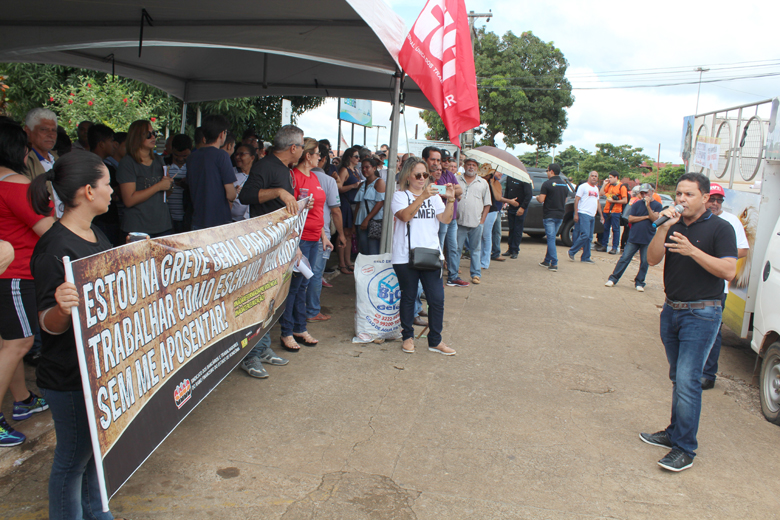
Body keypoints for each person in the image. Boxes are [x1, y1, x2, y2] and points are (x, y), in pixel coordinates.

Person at [28, 152, 122, 518]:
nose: (112, 191)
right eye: (106, 184)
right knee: (73, 461)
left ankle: (99, 513)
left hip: (97, 371)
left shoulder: (93, 232)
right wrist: (62, 307)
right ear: (87, 191)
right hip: (68, 378)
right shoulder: (54, 249)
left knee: (93, 455)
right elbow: (48, 325)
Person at [640, 172, 737, 472]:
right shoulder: (673, 225)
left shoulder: (721, 228)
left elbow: (729, 271)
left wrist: (693, 251)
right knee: (677, 377)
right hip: (672, 310)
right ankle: (674, 432)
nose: (681, 199)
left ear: (706, 197)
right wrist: (662, 229)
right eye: (679, 194)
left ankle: (685, 448)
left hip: (702, 313)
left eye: (689, 194)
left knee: (687, 380)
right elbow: (652, 260)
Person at [0, 122, 55, 447]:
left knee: (10, 343)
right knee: (18, 344)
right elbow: (48, 229)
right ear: (19, 149)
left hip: (7, 273)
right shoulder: (18, 184)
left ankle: (22, 400)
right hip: (17, 274)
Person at [237, 125, 303, 374]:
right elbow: (246, 196)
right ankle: (250, 355)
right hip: (263, 245)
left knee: (271, 300)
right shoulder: (265, 166)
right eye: (302, 145)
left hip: (281, 244)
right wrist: (278, 191)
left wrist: (292, 239)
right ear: (293, 148)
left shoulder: (284, 170)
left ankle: (262, 347)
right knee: (259, 299)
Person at [391, 157, 456, 355]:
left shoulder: (435, 197)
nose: (422, 179)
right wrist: (422, 197)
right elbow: (404, 216)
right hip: (405, 255)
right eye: (417, 175)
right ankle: (408, 337)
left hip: (431, 253)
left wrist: (451, 201)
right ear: (408, 176)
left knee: (437, 299)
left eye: (425, 175)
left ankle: (435, 340)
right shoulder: (400, 196)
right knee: (409, 296)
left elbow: (445, 219)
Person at [282, 138, 332, 352]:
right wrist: (295, 243)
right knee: (293, 287)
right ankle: (286, 331)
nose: (320, 157)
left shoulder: (315, 177)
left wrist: (323, 235)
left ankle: (299, 327)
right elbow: (290, 212)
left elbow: (318, 211)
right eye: (318, 153)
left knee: (303, 285)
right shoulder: (294, 177)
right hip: (300, 239)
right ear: (308, 155)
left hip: (314, 238)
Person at [701, 183, 750, 390]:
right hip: (694, 284)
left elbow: (744, 250)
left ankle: (708, 374)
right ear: (704, 199)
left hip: (719, 287)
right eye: (712, 199)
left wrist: (719, 254)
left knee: (714, 331)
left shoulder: (731, 222)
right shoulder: (695, 218)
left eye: (719, 200)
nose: (715, 204)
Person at [307, 142, 346, 322]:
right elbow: (336, 210)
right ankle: (312, 310)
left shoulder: (296, 175)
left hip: (302, 232)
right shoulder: (328, 181)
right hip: (319, 232)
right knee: (315, 273)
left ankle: (303, 310)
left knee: (302, 273)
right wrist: (341, 234)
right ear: (322, 159)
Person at [117, 120, 173, 239]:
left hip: (162, 225)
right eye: (148, 134)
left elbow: (166, 194)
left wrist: (169, 185)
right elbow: (129, 200)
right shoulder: (127, 163)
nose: (153, 137)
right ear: (137, 137)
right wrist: (158, 186)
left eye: (154, 133)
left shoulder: (159, 160)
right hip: (138, 227)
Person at [604, 183, 662, 291]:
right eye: (642, 193)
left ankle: (640, 282)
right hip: (634, 237)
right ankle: (613, 278)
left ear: (652, 192)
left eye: (646, 192)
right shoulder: (636, 204)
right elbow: (630, 219)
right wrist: (646, 216)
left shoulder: (657, 205)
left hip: (648, 238)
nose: (644, 195)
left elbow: (655, 219)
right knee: (625, 258)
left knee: (645, 261)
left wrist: (648, 206)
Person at [185, 114, 236, 229]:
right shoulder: (222, 156)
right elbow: (230, 194)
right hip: (218, 221)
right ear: (222, 134)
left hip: (197, 219)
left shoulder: (192, 157)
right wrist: (235, 194)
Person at [454, 157, 491, 285]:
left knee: (475, 250)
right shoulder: (456, 179)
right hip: (458, 222)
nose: (471, 167)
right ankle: (453, 274)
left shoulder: (483, 183)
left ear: (477, 168)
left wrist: (482, 220)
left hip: (476, 223)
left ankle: (476, 274)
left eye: (474, 165)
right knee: (457, 249)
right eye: (469, 164)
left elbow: (487, 204)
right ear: (464, 166)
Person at [88, 124, 123, 246]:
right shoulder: (93, 167)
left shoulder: (103, 165)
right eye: (111, 140)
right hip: (102, 221)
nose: (114, 144)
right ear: (101, 144)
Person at [537, 163, 569, 272]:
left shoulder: (547, 184)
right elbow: (565, 200)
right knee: (551, 237)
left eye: (547, 171)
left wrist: (537, 197)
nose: (546, 173)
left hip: (549, 214)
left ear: (551, 171)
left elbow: (541, 199)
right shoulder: (564, 185)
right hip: (560, 215)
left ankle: (554, 263)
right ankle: (547, 260)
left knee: (550, 238)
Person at [567, 171, 604, 263]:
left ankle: (586, 257)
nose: (594, 178)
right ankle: (572, 251)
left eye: (596, 176)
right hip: (583, 213)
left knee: (590, 237)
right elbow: (577, 200)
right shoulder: (583, 187)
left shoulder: (596, 189)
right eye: (592, 176)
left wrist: (601, 215)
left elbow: (597, 202)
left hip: (592, 215)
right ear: (589, 177)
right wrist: (576, 213)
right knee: (585, 234)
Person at [336, 146, 361, 274]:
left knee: (350, 234)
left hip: (353, 203)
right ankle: (342, 263)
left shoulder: (355, 170)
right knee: (343, 233)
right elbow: (338, 187)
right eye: (356, 156)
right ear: (349, 157)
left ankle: (347, 261)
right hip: (345, 203)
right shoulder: (345, 170)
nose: (358, 159)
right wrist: (353, 186)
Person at [353, 157, 385, 255]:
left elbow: (380, 203)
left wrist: (367, 219)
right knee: (363, 249)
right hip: (360, 220)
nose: (364, 170)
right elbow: (358, 205)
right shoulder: (362, 184)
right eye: (362, 168)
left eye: (367, 167)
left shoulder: (379, 182)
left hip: (373, 220)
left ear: (374, 168)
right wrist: (354, 224)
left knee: (373, 250)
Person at [481, 167, 510, 269]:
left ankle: (485, 261)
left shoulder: (495, 182)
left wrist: (492, 183)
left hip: (492, 210)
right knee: (480, 235)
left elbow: (498, 197)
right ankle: (480, 259)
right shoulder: (479, 181)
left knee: (486, 234)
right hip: (480, 210)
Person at [501, 170, 533, 259]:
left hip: (520, 207)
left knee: (517, 229)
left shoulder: (525, 178)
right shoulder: (510, 177)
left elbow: (529, 195)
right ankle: (510, 249)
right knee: (511, 228)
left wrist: (522, 207)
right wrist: (505, 202)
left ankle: (515, 250)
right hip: (511, 207)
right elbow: (507, 191)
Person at [596, 171, 628, 254]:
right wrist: (604, 184)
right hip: (607, 210)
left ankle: (614, 247)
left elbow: (625, 200)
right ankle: (604, 245)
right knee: (605, 228)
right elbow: (601, 193)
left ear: (616, 177)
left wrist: (614, 201)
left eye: (611, 177)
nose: (609, 179)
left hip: (616, 211)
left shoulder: (621, 187)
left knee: (615, 229)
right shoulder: (609, 185)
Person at [166, 134, 193, 233]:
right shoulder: (164, 165)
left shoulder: (194, 166)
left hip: (188, 218)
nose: (180, 159)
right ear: (171, 150)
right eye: (176, 155)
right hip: (167, 218)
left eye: (184, 156)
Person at [23, 108, 59, 180]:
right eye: (44, 129)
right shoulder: (23, 160)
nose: (51, 135)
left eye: (53, 130)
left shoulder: (57, 158)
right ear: (28, 131)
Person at [231, 143, 255, 222]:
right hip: (231, 221)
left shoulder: (258, 175)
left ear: (252, 157)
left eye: (242, 154)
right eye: (236, 154)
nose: (237, 157)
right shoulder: (230, 173)